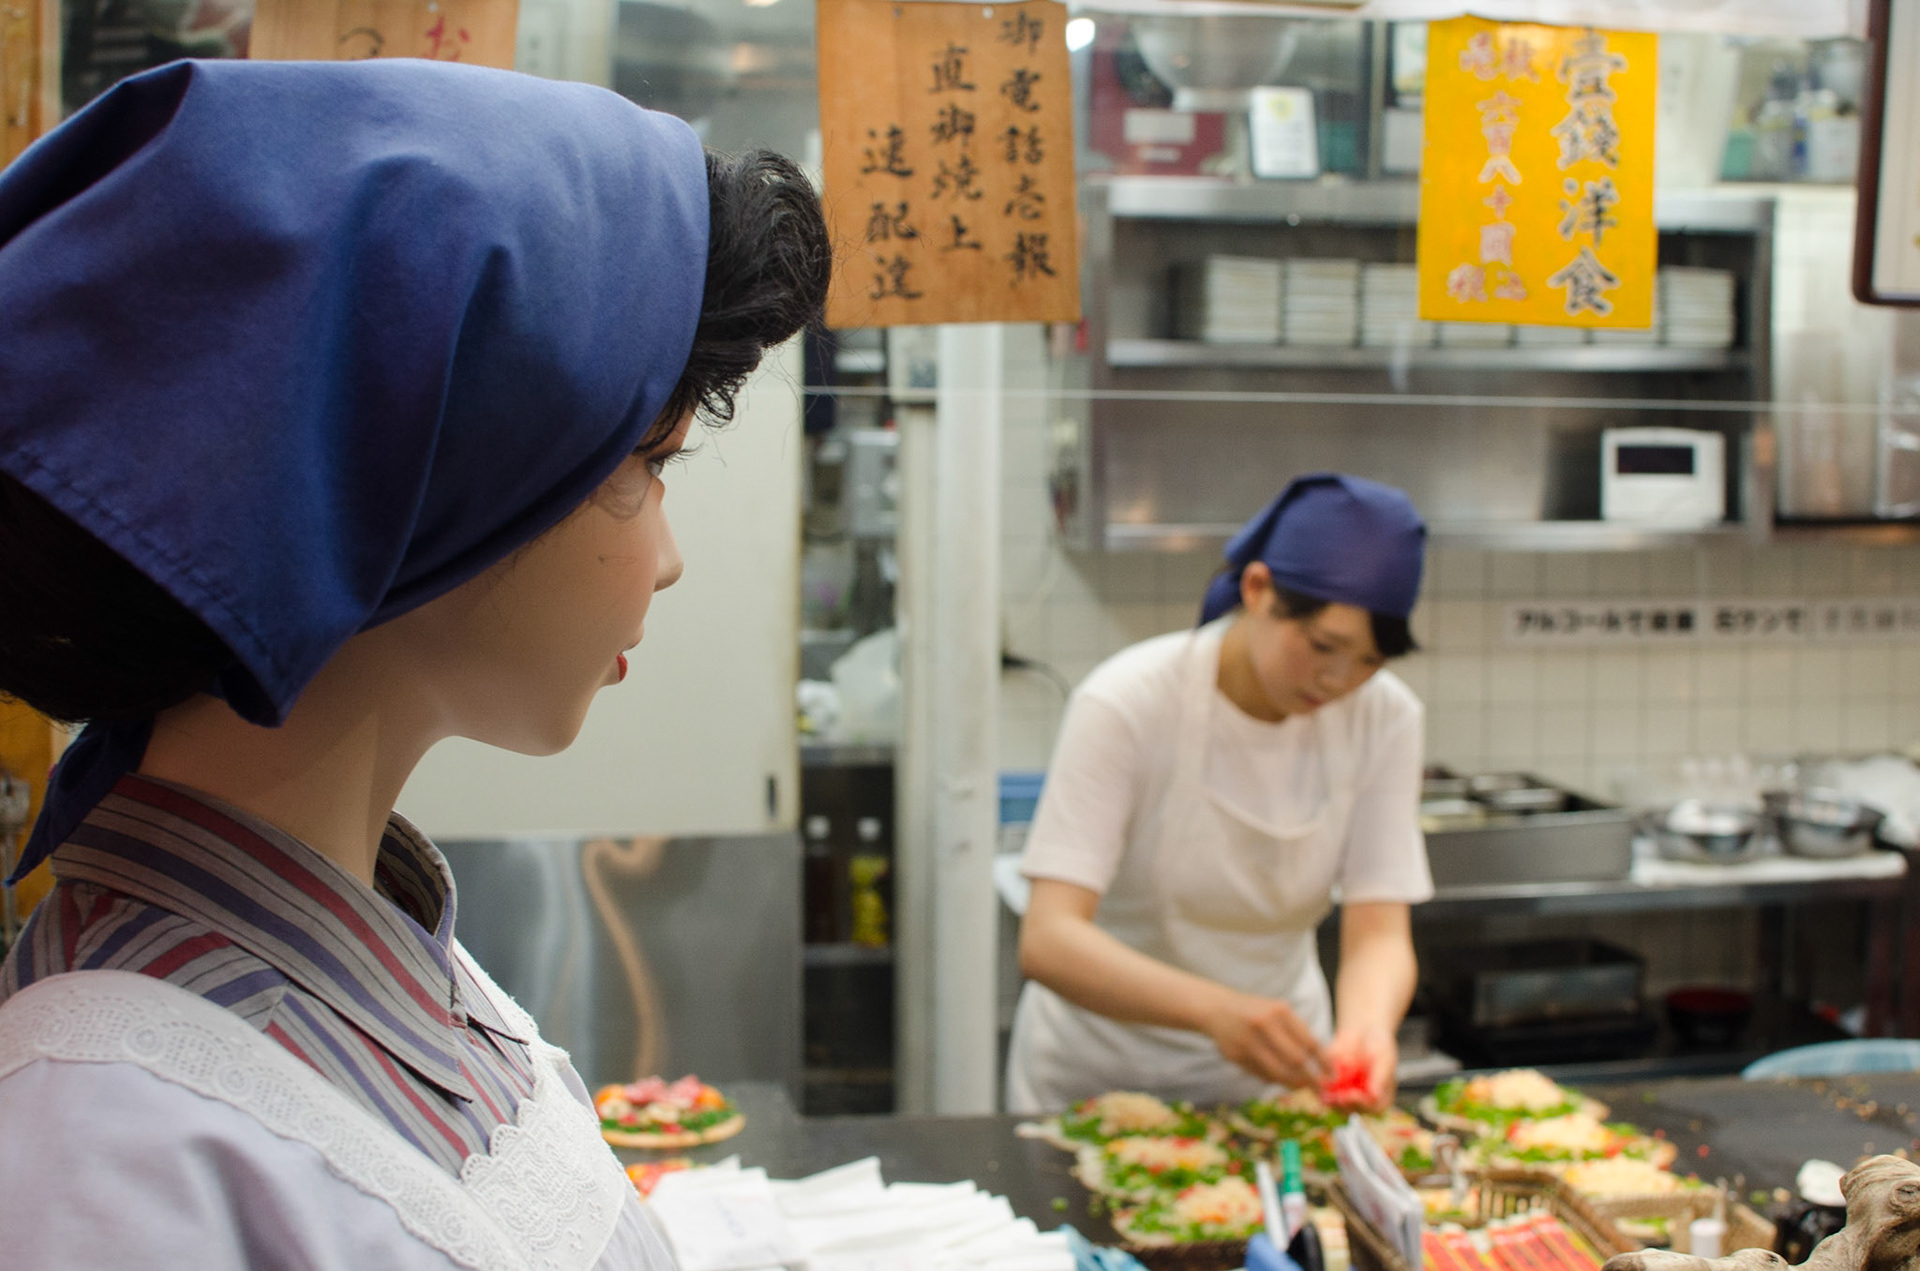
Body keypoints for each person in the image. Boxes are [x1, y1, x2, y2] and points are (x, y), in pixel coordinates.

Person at [0, 56, 829, 1268]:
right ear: (439, 476)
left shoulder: (383, 949)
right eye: (648, 465)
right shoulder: (107, 1150)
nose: (668, 560)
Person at [1007, 473, 1432, 1116]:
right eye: (1324, 646)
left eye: (1370, 661)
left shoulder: (1386, 717)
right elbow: (1049, 938)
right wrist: (1216, 1012)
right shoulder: (1128, 702)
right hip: (1101, 1079)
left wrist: (1368, 1029)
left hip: (1278, 1083)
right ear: (1257, 590)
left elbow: (1378, 930)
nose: (1338, 680)